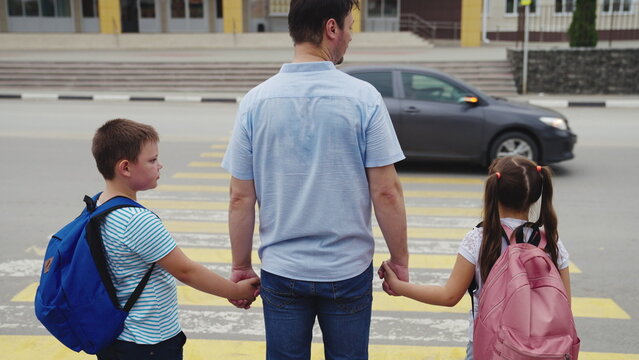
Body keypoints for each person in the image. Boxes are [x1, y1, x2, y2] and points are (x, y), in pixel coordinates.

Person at [221, 0, 409, 358]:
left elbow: (240, 198)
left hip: (282, 270)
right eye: (350, 26)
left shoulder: (255, 102)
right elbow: (386, 192)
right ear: (331, 29)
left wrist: (240, 266)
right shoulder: (363, 98)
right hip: (347, 270)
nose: (352, 36)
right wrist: (399, 262)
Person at [91, 118, 259, 360]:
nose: (160, 165)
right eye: (152, 160)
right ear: (125, 168)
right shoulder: (135, 220)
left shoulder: (100, 205)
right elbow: (185, 271)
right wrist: (234, 290)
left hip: (119, 338)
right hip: (148, 341)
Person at [380, 155, 572, 360]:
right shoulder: (551, 243)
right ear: (537, 194)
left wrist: (398, 286)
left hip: (491, 347)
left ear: (493, 190)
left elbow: (449, 296)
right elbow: (564, 304)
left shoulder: (480, 239)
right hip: (544, 350)